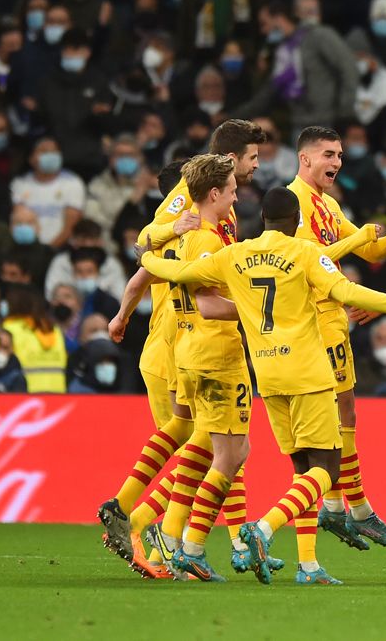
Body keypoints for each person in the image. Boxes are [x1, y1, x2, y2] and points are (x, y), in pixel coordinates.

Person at [136, 186, 386, 585]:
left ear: (262, 219)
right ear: (297, 221)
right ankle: (262, 530)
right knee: (327, 468)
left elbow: (177, 272)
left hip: (267, 378)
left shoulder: (234, 255)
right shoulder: (305, 252)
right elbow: (346, 291)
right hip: (307, 374)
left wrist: (146, 252)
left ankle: (308, 566)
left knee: (302, 471)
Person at [97, 121, 264, 579]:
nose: (256, 166)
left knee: (203, 440)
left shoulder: (222, 214)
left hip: (189, 338)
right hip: (181, 341)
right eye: (252, 158)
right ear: (229, 162)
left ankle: (165, 530)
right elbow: (143, 243)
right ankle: (146, 522)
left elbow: (146, 268)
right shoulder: (192, 203)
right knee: (210, 444)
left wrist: (121, 315)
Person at [286, 126, 386, 550]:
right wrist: (358, 237)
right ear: (305, 158)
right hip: (309, 322)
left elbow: (373, 252)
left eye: (340, 156)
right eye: (329, 154)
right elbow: (307, 260)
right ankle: (352, 508)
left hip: (333, 318)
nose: (337, 163)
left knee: (345, 414)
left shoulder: (327, 203)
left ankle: (338, 506)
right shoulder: (293, 203)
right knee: (330, 420)